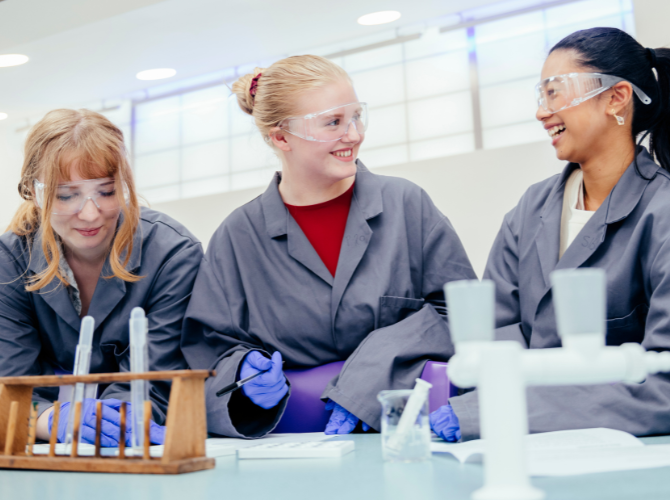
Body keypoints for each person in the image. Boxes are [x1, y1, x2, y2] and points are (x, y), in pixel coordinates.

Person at [430, 27, 670, 441]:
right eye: (541, 96)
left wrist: (504, 414)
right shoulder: (530, 212)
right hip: (524, 450)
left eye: (555, 92)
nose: (542, 112)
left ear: (616, 98)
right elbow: (496, 333)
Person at [177, 55, 476, 438]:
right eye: (334, 122)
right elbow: (207, 350)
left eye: (356, 116)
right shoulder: (238, 235)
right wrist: (244, 373)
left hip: (406, 435)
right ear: (280, 137)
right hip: (289, 446)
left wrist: (373, 366)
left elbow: (460, 314)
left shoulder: (407, 205)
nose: (354, 134)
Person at [0, 109, 203, 446]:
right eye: (67, 195)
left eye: (107, 192)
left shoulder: (172, 253)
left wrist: (108, 418)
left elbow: (155, 384)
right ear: (33, 192)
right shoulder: (11, 259)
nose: (90, 212)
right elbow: (9, 393)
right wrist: (53, 419)